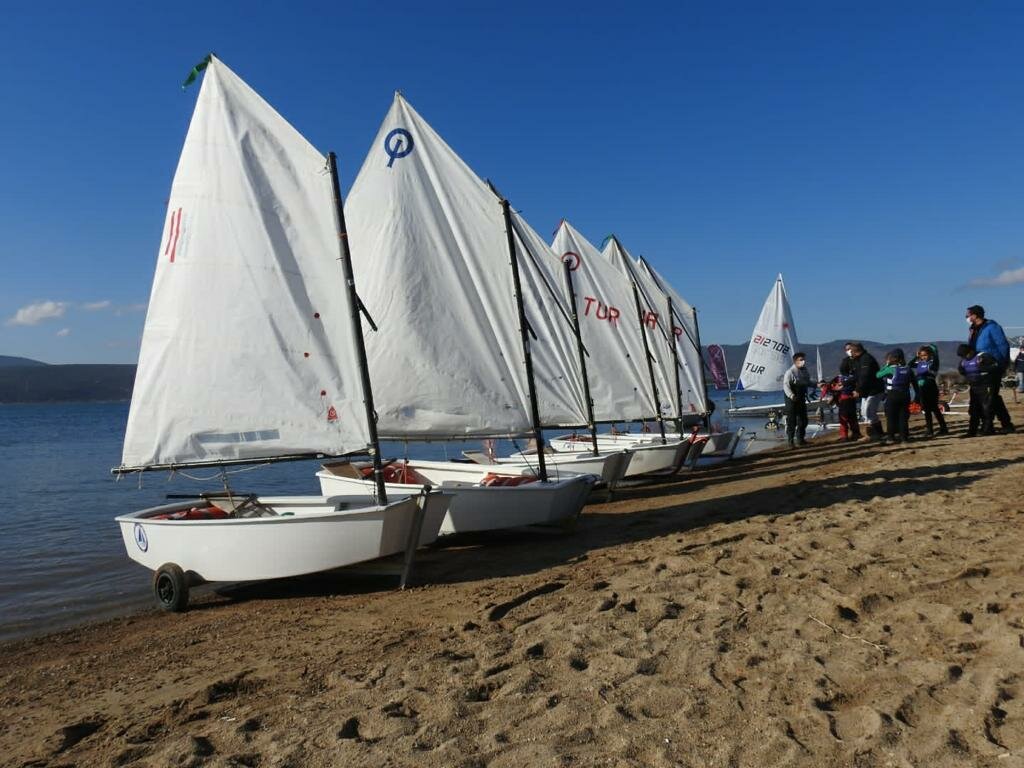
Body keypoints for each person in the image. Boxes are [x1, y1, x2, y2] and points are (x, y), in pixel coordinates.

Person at [966, 305, 1015, 432]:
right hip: (978, 367)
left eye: (968, 315)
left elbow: (1002, 345)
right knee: (988, 396)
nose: (967, 317)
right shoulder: (972, 330)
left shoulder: (992, 327)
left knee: (991, 396)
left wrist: (1003, 364)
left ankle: (993, 425)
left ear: (976, 315)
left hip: (993, 365)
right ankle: (1002, 423)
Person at [957, 343, 1000, 437]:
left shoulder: (983, 356)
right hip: (974, 387)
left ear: (971, 351)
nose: (965, 357)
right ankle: (972, 431)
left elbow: (996, 366)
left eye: (966, 355)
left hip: (986, 385)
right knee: (973, 409)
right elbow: (961, 369)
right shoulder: (964, 361)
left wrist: (981, 368)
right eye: (962, 356)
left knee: (987, 408)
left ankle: (988, 429)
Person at [845, 342, 884, 440]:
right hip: (866, 391)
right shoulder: (858, 360)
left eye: (850, 350)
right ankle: (879, 433)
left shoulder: (866, 359)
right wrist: (845, 383)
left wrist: (858, 390)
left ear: (855, 351)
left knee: (868, 412)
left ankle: (872, 434)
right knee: (864, 412)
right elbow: (857, 375)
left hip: (874, 390)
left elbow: (864, 376)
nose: (849, 353)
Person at [876, 349, 915, 445]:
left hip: (892, 395)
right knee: (903, 418)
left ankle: (890, 438)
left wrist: (886, 365)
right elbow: (914, 383)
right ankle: (904, 438)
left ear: (891, 359)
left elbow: (877, 375)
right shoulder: (908, 369)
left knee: (891, 417)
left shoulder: (890, 369)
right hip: (905, 395)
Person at [912, 344, 948, 437]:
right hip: (921, 389)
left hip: (931, 388)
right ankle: (930, 430)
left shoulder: (933, 363)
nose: (923, 357)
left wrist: (934, 350)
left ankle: (943, 428)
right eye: (922, 355)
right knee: (926, 410)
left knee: (935, 409)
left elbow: (935, 357)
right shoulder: (919, 363)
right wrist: (916, 356)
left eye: (925, 355)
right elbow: (909, 365)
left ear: (930, 355)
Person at [782, 351, 812, 448]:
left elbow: (808, 382)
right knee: (792, 421)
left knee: (803, 420)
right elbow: (786, 386)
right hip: (791, 399)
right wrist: (791, 396)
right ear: (795, 361)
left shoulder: (805, 370)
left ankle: (801, 439)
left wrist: (817, 384)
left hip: (801, 397)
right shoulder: (790, 372)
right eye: (801, 360)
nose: (803, 361)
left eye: (804, 359)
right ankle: (790, 442)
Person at [829, 372, 861, 440]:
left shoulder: (839, 378)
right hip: (852, 399)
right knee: (853, 418)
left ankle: (844, 436)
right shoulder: (853, 376)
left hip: (844, 399)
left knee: (843, 418)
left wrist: (832, 399)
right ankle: (856, 434)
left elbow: (835, 390)